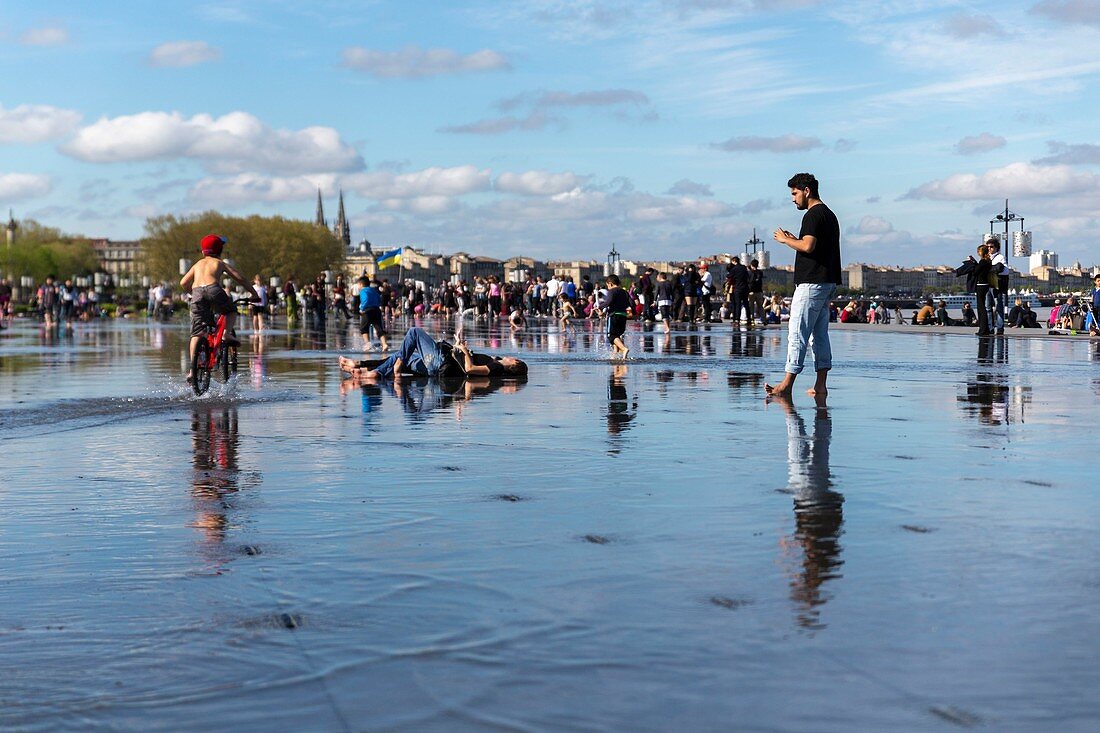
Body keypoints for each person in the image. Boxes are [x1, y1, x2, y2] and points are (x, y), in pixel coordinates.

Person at [766, 173, 841, 398]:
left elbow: (808, 246)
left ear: (806, 191)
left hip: (811, 283)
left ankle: (786, 384)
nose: (793, 198)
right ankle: (820, 384)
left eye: (794, 193)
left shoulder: (812, 215)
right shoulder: (829, 214)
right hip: (826, 282)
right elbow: (814, 246)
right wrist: (793, 240)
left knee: (797, 332)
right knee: (819, 335)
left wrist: (785, 240)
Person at [180, 234, 260, 381]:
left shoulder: (198, 264)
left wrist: (194, 294)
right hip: (213, 289)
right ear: (220, 250)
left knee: (196, 334)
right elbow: (239, 278)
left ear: (203, 252)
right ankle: (226, 334)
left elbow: (183, 282)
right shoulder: (219, 263)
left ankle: (192, 371)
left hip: (197, 292)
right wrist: (254, 294)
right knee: (231, 310)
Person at [339, 327, 526, 381]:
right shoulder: (497, 367)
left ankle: (372, 367)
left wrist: (461, 349)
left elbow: (470, 369)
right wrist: (460, 347)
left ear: (515, 362)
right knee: (405, 355)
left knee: (413, 333)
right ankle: (367, 370)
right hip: (439, 366)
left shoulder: (497, 366)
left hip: (440, 362)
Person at [602, 274, 633, 358]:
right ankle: (615, 354)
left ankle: (624, 349)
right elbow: (631, 303)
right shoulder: (624, 292)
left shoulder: (612, 291)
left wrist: (599, 307)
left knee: (611, 336)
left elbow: (609, 302)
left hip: (613, 315)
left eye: (607, 285)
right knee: (617, 336)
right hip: (623, 316)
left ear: (610, 283)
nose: (607, 287)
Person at [357, 276, 389, 352]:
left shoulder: (363, 291)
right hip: (376, 310)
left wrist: (362, 308)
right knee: (379, 328)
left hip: (367, 311)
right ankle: (384, 344)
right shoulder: (374, 290)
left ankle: (367, 344)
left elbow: (365, 299)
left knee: (364, 328)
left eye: (358, 284)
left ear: (361, 284)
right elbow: (379, 299)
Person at [973, 244, 993, 336]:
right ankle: (985, 329)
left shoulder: (982, 262)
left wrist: (973, 264)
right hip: (986, 285)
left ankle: (983, 329)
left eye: (978, 251)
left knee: (981, 308)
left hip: (981, 285)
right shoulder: (988, 261)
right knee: (982, 307)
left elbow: (976, 271)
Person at [726, 256, 751, 330]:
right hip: (745, 288)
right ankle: (749, 319)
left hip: (738, 288)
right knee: (746, 304)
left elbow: (729, 276)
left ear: (734, 261)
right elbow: (747, 276)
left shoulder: (734, 269)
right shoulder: (743, 268)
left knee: (738, 304)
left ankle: (737, 320)